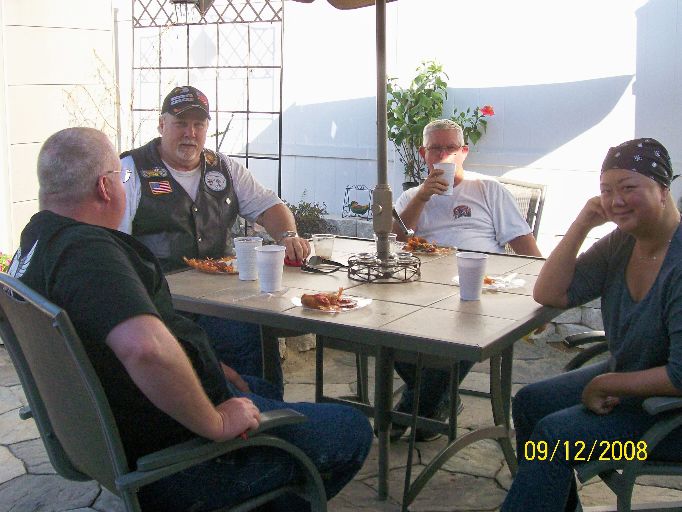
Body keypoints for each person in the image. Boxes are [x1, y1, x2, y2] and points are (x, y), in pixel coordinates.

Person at [10, 127, 372, 511]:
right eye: (118, 176)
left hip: (120, 430)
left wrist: (204, 364)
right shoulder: (88, 252)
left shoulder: (35, 245)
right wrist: (216, 422)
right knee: (350, 429)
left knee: (259, 385)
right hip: (178, 457)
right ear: (104, 187)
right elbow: (146, 349)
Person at [501, 138, 682, 511]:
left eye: (628, 187)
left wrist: (606, 383)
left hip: (671, 424)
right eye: (606, 190)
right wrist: (581, 224)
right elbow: (550, 292)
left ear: (663, 189)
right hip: (633, 385)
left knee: (555, 439)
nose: (616, 201)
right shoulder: (622, 243)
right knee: (531, 403)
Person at [119, 86, 311, 396]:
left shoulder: (225, 167)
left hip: (225, 302)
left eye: (199, 124)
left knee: (257, 324)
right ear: (161, 124)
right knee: (246, 332)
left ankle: (264, 407)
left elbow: (270, 207)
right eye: (181, 123)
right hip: (165, 306)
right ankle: (254, 409)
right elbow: (114, 242)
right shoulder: (131, 170)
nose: (190, 133)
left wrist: (288, 236)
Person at [391, 119, 542, 441]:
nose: (443, 155)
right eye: (435, 148)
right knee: (388, 329)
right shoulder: (410, 197)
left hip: (479, 289)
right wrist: (422, 198)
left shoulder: (488, 189)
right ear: (423, 154)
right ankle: (434, 401)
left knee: (459, 328)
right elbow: (394, 244)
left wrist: (540, 294)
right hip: (422, 289)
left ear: (464, 152)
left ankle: (414, 405)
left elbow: (525, 245)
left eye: (451, 148)